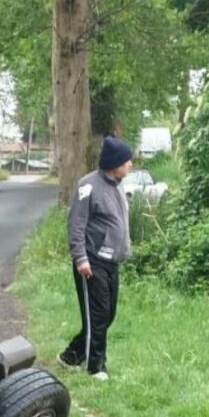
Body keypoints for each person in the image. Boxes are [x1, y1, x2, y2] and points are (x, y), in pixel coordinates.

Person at [57, 136, 133, 381]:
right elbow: (76, 225)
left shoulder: (118, 186)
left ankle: (70, 356)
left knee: (107, 315)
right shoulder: (87, 187)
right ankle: (95, 367)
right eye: (126, 160)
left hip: (112, 263)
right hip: (92, 261)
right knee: (97, 317)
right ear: (114, 163)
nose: (130, 164)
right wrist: (81, 258)